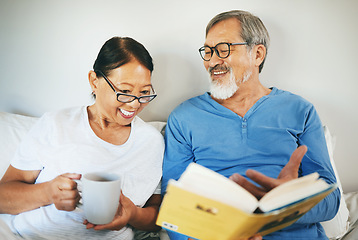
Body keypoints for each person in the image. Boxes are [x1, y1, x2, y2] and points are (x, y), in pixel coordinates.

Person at [162, 10, 340, 240]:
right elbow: (172, 204)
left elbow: (331, 199)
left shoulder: (300, 110)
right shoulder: (184, 117)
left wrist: (286, 203)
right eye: (207, 51)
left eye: (224, 49)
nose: (212, 61)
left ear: (257, 54)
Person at [0, 36, 164, 240]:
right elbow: (3, 196)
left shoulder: (152, 142)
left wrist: (133, 214)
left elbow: (157, 215)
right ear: (94, 81)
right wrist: (47, 193)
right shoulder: (56, 123)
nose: (134, 104)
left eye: (145, 92)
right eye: (124, 91)